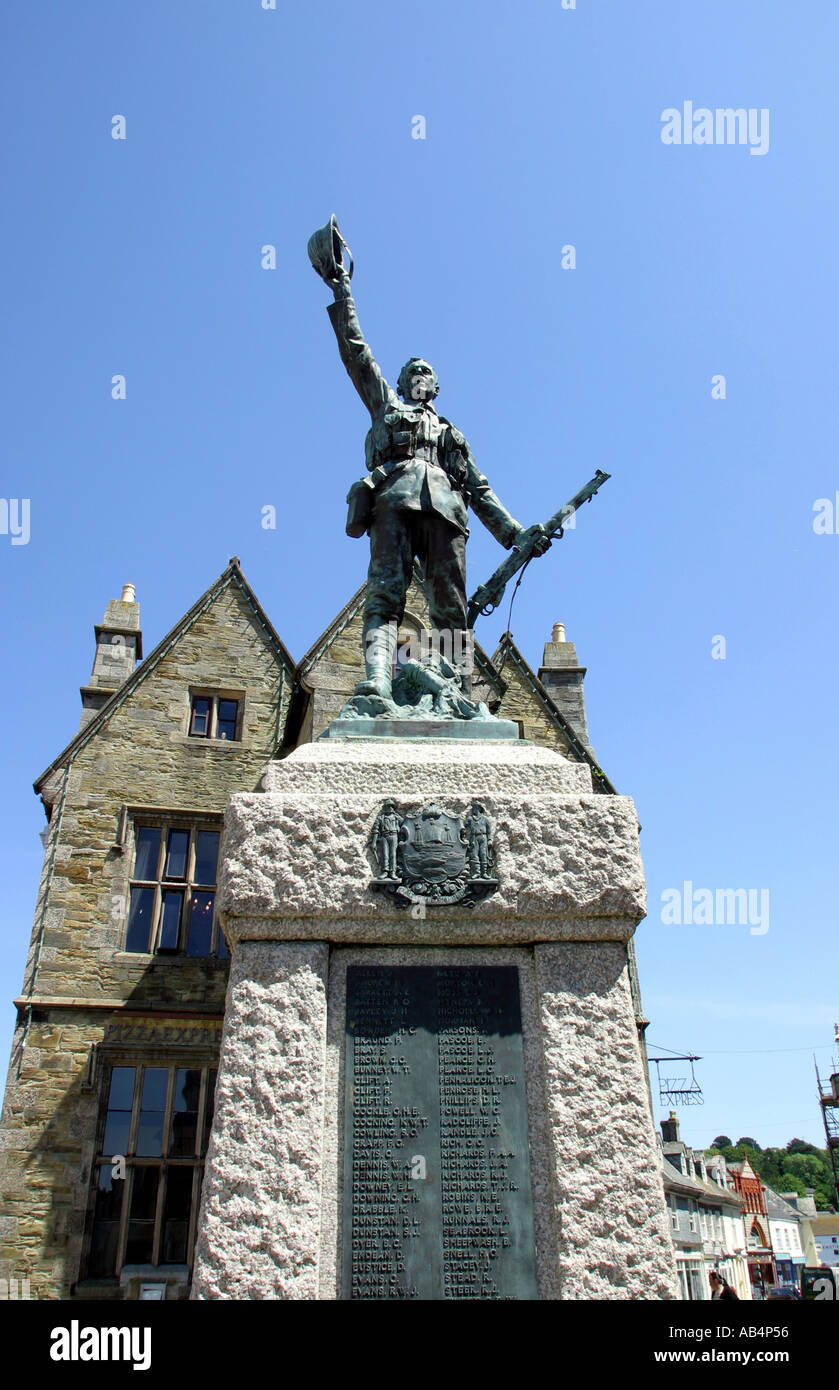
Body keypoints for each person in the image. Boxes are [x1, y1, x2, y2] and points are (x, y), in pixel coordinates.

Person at [321, 260, 549, 701]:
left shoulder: (450, 435)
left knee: (451, 610)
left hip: (447, 512)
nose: (418, 376)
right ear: (402, 384)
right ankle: (377, 681)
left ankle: (459, 691)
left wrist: (516, 535)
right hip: (393, 501)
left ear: (436, 387)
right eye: (411, 372)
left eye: (426, 372)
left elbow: (480, 490)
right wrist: (342, 290)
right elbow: (357, 352)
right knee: (385, 595)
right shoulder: (385, 406)